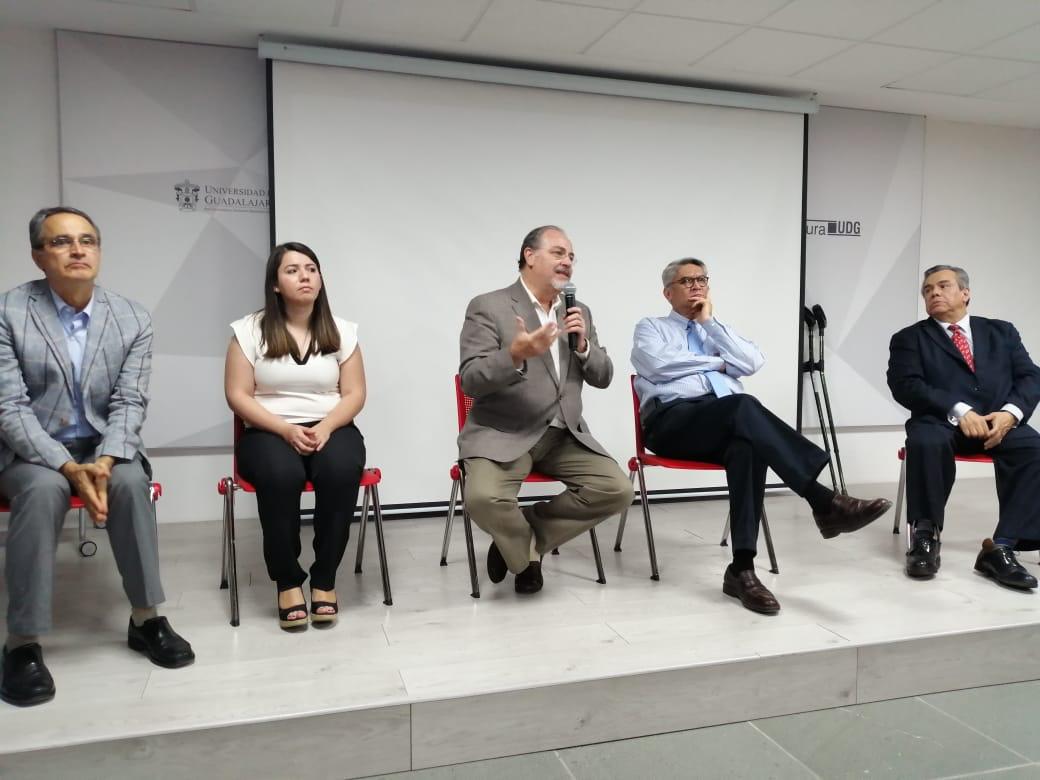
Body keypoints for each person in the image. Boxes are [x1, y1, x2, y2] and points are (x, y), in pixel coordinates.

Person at [0, 207, 194, 708]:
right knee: (43, 493)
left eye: (88, 240)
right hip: (33, 451)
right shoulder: (8, 312)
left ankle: (146, 619)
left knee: (131, 483)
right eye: (62, 242)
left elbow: (130, 402)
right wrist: (66, 466)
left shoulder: (132, 317)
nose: (78, 250)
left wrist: (105, 462)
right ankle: (22, 643)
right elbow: (9, 407)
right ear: (38, 256)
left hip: (105, 446)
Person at [631, 257, 892, 614]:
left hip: (722, 421)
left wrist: (710, 324)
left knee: (747, 446)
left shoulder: (716, 329)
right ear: (668, 292)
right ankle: (823, 500)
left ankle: (742, 569)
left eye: (702, 280)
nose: (696, 286)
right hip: (671, 422)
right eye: (687, 281)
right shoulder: (651, 327)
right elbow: (659, 365)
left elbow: (752, 362)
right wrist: (720, 363)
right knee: (743, 405)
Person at [458, 225, 633, 594]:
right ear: (529, 255)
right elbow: (471, 379)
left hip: (563, 434)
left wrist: (584, 345)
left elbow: (604, 377)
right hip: (505, 432)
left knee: (617, 490)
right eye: (558, 252)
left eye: (571, 256)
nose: (567, 261)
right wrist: (515, 355)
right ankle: (527, 559)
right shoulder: (488, 306)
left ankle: (518, 536)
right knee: (482, 499)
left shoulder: (578, 310)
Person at [224, 242, 367, 630]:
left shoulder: (343, 331)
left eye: (311, 268)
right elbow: (237, 394)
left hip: (331, 427)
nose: (305, 276)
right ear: (274, 283)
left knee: (340, 471)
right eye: (292, 270)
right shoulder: (248, 330)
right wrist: (286, 429)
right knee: (282, 476)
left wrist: (324, 427)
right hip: (269, 430)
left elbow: (354, 394)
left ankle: (324, 579)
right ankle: (287, 581)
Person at [888, 264, 1040, 589]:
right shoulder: (909, 339)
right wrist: (958, 410)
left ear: (965, 293)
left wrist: (1010, 413)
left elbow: (1030, 376)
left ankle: (1002, 548)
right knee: (925, 442)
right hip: (939, 423)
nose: (934, 293)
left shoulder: (1002, 332)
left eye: (943, 286)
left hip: (998, 424)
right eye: (928, 290)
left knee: (1033, 446)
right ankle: (925, 538)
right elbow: (906, 385)